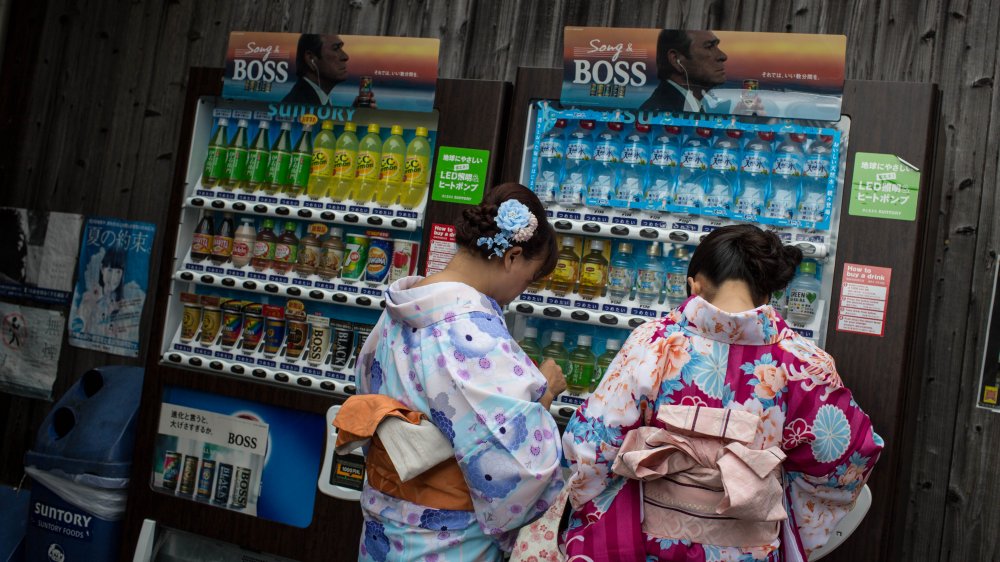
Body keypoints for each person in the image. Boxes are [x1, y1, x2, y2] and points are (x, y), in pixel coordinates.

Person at [562, 224, 882, 561]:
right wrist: (775, 503)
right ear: (766, 292)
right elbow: (848, 462)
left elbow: (590, 445)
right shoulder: (803, 364)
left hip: (654, 546)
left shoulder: (655, 344)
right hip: (751, 549)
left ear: (695, 284)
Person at [351, 182, 567, 562]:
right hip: (444, 537)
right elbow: (513, 465)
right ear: (512, 256)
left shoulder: (404, 303)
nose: (521, 290)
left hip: (384, 519)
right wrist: (545, 393)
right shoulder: (470, 330)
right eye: (529, 278)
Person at [640, 29, 731, 114]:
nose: (723, 56)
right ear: (676, 60)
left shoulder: (676, 107)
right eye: (709, 47)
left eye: (716, 46)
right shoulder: (660, 111)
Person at [281, 34, 349, 106]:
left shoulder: (304, 100)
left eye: (340, 48)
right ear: (311, 58)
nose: (345, 56)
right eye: (335, 48)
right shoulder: (298, 104)